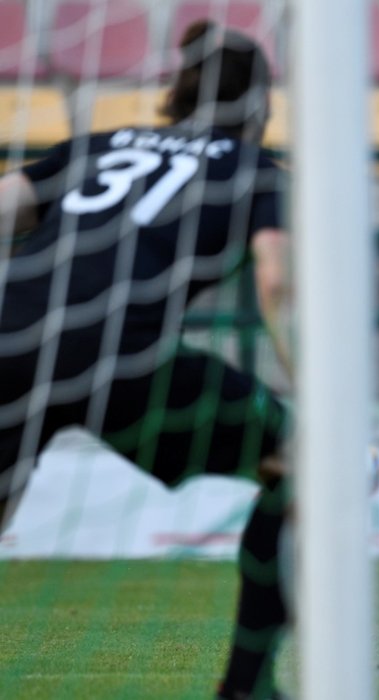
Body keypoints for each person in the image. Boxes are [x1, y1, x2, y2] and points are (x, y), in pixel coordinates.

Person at [0, 21, 294, 699]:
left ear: (175, 91)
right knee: (302, 461)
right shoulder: (252, 168)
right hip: (119, 354)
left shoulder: (93, 146)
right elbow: (275, 280)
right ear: (260, 106)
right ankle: (247, 688)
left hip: (13, 341)